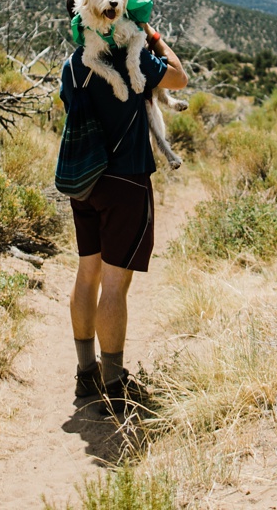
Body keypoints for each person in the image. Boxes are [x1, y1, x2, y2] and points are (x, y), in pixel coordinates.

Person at [59, 26, 187, 415]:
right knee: (115, 285)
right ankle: (114, 384)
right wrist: (155, 36)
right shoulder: (132, 59)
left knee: (87, 274)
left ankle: (86, 373)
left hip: (84, 180)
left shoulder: (72, 65)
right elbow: (179, 78)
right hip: (126, 180)